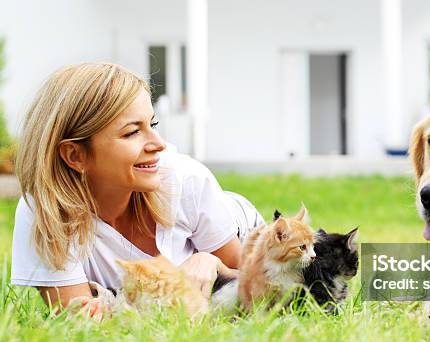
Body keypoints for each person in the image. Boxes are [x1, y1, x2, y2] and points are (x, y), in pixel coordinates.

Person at [11, 62, 263, 317]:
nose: (159, 144)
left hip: (239, 223)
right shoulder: (45, 214)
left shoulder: (187, 182)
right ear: (75, 155)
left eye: (152, 125)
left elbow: (255, 285)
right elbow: (82, 323)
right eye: (132, 132)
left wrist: (211, 262)